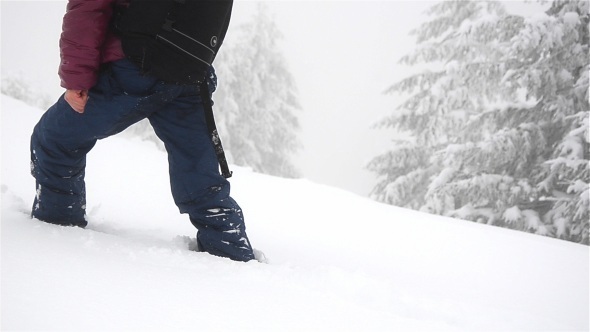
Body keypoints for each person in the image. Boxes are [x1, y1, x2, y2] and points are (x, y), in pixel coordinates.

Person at [30, 0, 257, 262]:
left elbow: (88, 10)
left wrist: (77, 80)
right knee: (198, 170)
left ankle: (57, 232)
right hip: (189, 75)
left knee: (55, 139)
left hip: (133, 69)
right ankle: (230, 250)